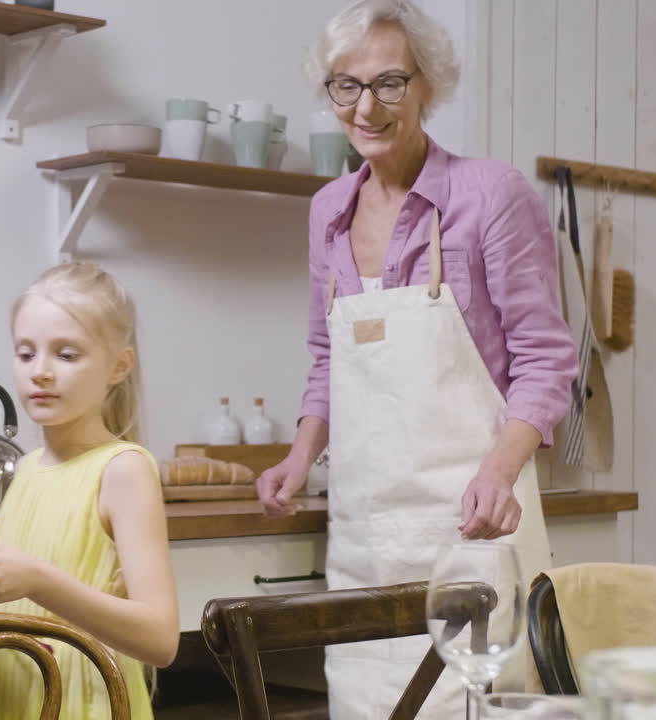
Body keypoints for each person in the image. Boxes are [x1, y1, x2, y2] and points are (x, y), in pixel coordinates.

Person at [255, 1, 579, 718]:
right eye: (346, 85)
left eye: (389, 83)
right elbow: (326, 357)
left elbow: (546, 359)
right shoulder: (328, 209)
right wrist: (299, 457)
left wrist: (499, 472)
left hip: (473, 527)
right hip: (366, 537)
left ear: (428, 85)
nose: (366, 107)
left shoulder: (490, 194)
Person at [0, 262, 179, 720]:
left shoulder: (124, 470)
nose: (40, 372)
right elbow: (13, 608)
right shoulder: (24, 468)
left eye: (67, 355)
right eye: (26, 354)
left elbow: (160, 640)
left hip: (81, 705)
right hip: (10, 700)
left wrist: (38, 580)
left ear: (119, 366)